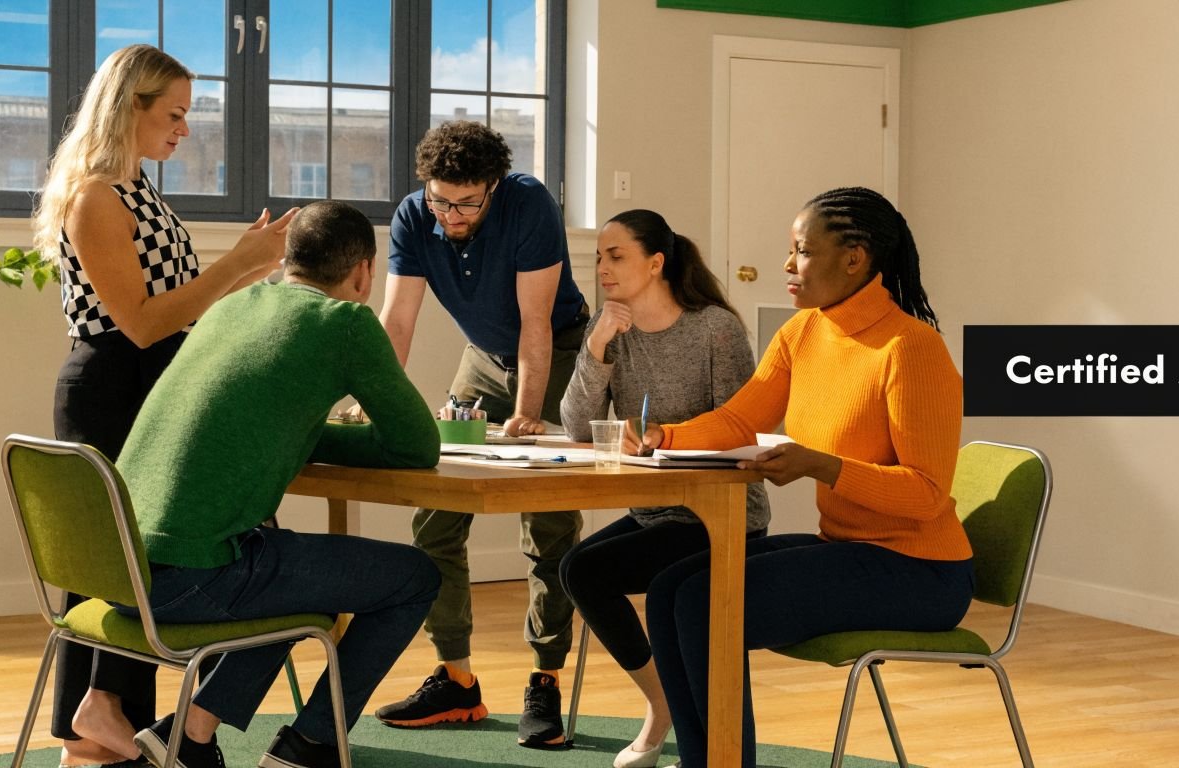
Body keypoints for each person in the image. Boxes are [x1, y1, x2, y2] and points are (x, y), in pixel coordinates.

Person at [634, 187, 975, 768]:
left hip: (921, 572)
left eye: (803, 251)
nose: (788, 264)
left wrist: (821, 465)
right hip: (847, 548)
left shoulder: (911, 349)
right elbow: (740, 420)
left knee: (704, 604)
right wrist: (661, 436)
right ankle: (703, 760)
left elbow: (925, 494)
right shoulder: (803, 334)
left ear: (854, 258)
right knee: (670, 589)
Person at [30, 43, 297, 767]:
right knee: (119, 559)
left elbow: (176, 311)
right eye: (174, 113)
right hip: (113, 389)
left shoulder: (138, 187)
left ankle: (100, 723)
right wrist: (236, 264)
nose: (185, 128)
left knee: (143, 555)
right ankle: (100, 711)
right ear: (129, 108)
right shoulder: (95, 196)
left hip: (150, 383)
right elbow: (141, 324)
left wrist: (248, 273)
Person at [114, 200, 442, 768]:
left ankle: (189, 736)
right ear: (364, 272)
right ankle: (309, 746)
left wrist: (305, 434)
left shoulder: (231, 306)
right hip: (188, 579)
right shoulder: (345, 323)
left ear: (288, 260)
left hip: (117, 569)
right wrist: (345, 440)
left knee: (287, 565)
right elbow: (418, 446)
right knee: (414, 577)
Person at [370, 120, 588, 749]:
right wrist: (373, 401)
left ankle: (545, 678)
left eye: (466, 203)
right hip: (484, 358)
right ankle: (456, 678)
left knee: (547, 519)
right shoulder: (414, 216)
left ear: (493, 186)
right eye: (440, 200)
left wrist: (527, 415)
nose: (451, 215)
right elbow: (398, 320)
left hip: (557, 350)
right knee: (436, 512)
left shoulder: (529, 203)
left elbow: (536, 321)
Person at [557, 210, 771, 768]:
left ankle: (673, 717)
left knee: (628, 582)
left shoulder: (715, 330)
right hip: (656, 512)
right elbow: (577, 427)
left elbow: (741, 427)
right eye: (599, 257)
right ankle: (663, 701)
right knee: (579, 570)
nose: (602, 268)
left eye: (616, 256)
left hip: (718, 513)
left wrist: (665, 439)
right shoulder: (609, 328)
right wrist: (597, 347)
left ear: (656, 263)